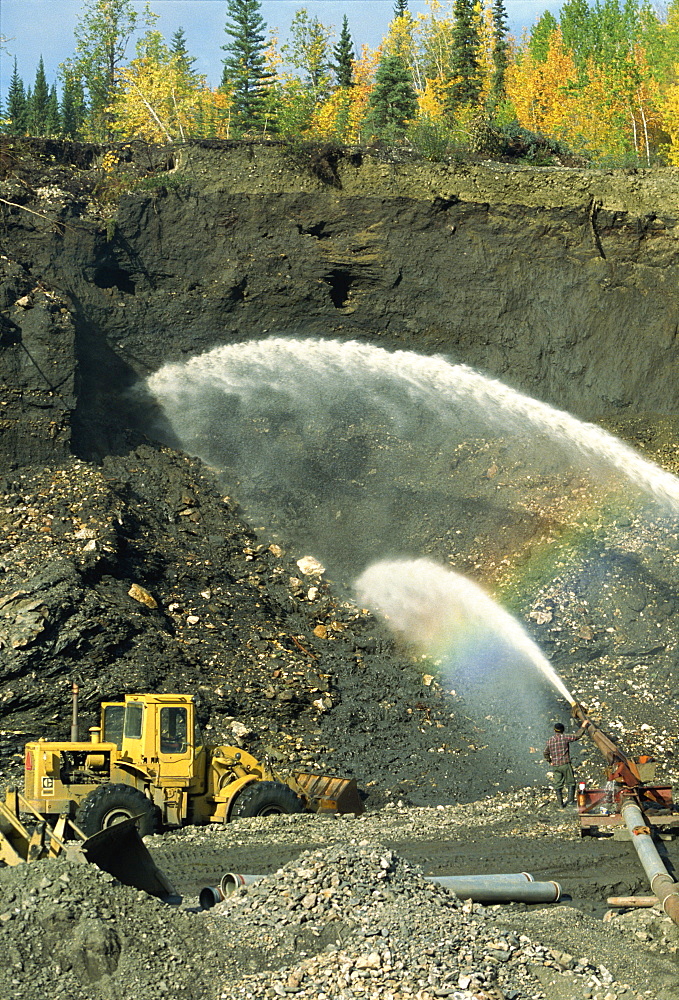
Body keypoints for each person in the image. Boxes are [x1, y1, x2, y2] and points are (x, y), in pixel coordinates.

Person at [544, 720, 589, 808]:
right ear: (563, 730)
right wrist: (583, 726)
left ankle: (560, 804)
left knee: (558, 784)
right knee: (571, 783)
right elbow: (577, 736)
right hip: (565, 764)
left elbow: (545, 752)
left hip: (556, 766)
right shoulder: (564, 737)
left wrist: (550, 761)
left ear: (554, 730)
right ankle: (570, 801)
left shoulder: (550, 740)